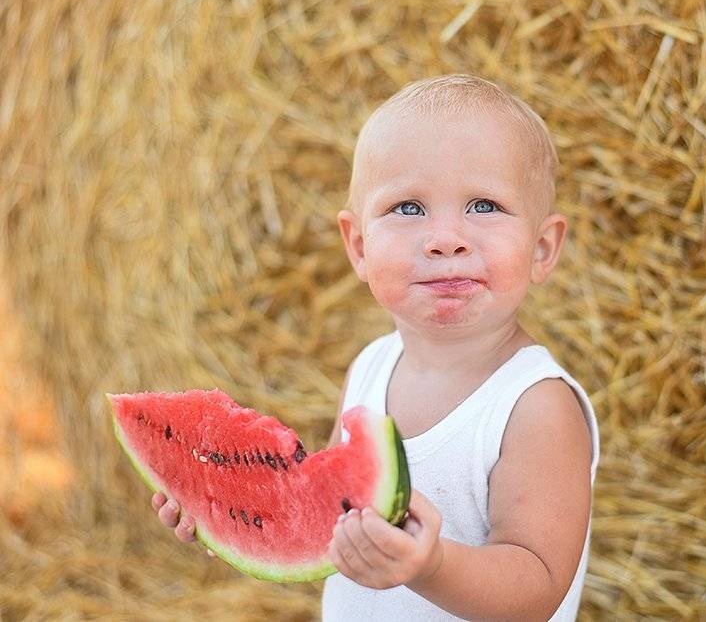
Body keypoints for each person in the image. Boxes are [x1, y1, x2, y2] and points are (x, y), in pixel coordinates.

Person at [152, 73, 600, 621]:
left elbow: (537, 586)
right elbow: (321, 513)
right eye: (409, 208)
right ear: (359, 247)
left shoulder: (535, 407)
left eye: (484, 205)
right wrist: (226, 507)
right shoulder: (369, 368)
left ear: (543, 248)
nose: (445, 238)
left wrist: (431, 564)